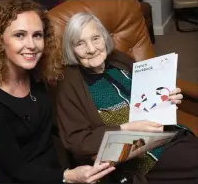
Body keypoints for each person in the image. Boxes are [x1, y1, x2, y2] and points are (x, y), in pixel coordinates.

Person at [0, 1, 116, 183]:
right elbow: (18, 169)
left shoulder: (34, 75)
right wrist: (68, 176)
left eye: (37, 35)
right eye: (19, 35)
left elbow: (50, 129)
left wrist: (89, 148)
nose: (32, 45)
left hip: (55, 167)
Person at [56, 12, 198, 184]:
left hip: (170, 134)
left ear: (104, 38)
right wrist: (126, 128)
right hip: (143, 156)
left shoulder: (119, 60)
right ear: (71, 49)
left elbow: (150, 94)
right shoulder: (69, 84)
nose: (91, 49)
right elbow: (77, 141)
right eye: (80, 43)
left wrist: (168, 99)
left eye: (96, 38)